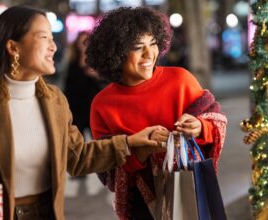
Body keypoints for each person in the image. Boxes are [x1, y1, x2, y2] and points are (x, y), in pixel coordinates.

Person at [0, 6, 169, 220]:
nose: (53, 46)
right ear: (13, 47)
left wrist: (130, 143)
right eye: (43, 37)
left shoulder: (54, 99)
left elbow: (77, 158)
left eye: (52, 37)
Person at [85, 7, 228, 219]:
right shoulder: (102, 104)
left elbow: (215, 121)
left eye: (152, 43)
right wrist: (142, 151)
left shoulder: (180, 79)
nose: (149, 54)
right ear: (115, 53)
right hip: (141, 208)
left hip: (191, 195)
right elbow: (108, 173)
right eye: (137, 47)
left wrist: (200, 127)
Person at [64, 31, 105, 138]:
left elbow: (104, 83)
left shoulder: (97, 61)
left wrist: (96, 75)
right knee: (78, 137)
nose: (83, 45)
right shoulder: (72, 59)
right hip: (76, 104)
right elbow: (68, 83)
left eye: (86, 42)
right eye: (81, 42)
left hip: (92, 103)